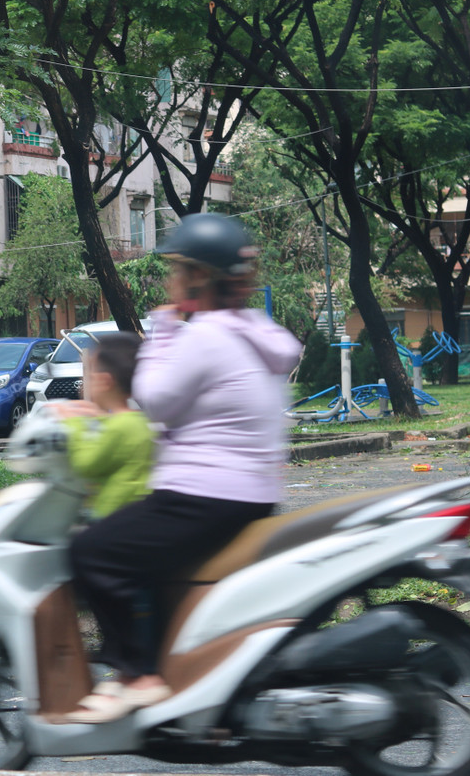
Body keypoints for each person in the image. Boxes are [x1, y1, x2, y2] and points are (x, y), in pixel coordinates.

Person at [67, 212, 302, 724]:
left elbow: (154, 400)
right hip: (250, 493)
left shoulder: (203, 335)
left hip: (203, 494)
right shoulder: (255, 330)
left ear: (197, 278)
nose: (169, 281)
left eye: (176, 270)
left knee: (93, 552)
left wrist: (167, 328)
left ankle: (136, 676)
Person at [47, 332, 155, 520]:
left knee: (80, 546)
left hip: (113, 518)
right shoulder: (138, 422)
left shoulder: (118, 428)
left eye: (90, 375)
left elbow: (86, 465)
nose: (83, 385)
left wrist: (73, 422)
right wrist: (99, 416)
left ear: (105, 381)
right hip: (136, 515)